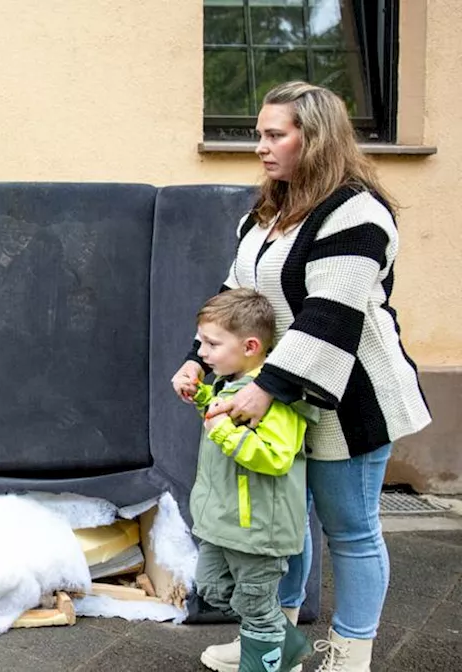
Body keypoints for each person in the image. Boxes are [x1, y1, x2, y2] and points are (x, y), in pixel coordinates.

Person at [172, 81, 432, 672]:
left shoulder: (358, 213)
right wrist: (198, 354)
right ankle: (275, 644)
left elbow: (329, 316)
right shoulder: (267, 213)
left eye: (274, 135)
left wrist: (265, 388)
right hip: (284, 399)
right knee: (283, 528)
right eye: (258, 134)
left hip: (349, 401)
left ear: (313, 139)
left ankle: (350, 654)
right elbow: (235, 298)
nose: (260, 147)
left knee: (351, 531)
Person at [185, 289, 315, 672]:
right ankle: (282, 640)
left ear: (251, 346)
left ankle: (267, 659)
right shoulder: (231, 384)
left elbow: (275, 458)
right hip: (224, 521)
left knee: (255, 604)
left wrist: (222, 428)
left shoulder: (276, 400)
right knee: (211, 587)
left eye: (211, 344)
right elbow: (224, 425)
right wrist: (203, 398)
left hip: (258, 528)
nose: (201, 354)